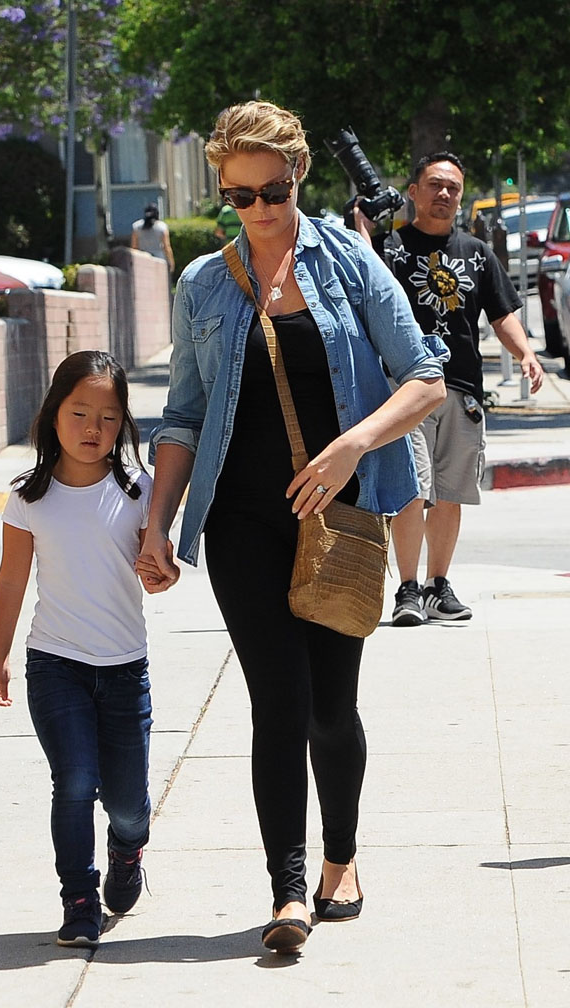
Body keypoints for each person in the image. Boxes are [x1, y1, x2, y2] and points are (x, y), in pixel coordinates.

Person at [136, 100, 447, 954]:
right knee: (278, 702)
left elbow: (425, 376)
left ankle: (340, 857)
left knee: (329, 709)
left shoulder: (352, 265)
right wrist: (157, 524)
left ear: (298, 175)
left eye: (272, 190)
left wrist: (353, 446)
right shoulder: (205, 281)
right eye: (239, 196)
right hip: (240, 520)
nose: (260, 209)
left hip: (339, 517)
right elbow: (183, 416)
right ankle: (287, 891)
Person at [0, 350, 158, 948]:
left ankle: (126, 847)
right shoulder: (27, 497)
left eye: (109, 418)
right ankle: (79, 899)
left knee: (130, 803)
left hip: (123, 669)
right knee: (75, 781)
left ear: (124, 425)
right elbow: (11, 579)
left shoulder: (138, 488)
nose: (93, 429)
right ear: (52, 415)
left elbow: (154, 566)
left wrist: (160, 571)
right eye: (80, 412)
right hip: (54, 663)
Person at [355, 153, 544, 626]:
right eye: (435, 185)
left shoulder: (477, 252)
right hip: (404, 387)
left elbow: (502, 313)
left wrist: (526, 354)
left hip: (462, 389)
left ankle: (439, 586)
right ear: (413, 191)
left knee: (451, 492)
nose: (444, 194)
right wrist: (362, 232)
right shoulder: (389, 245)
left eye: (453, 188)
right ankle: (407, 588)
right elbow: (362, 289)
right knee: (412, 490)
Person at [131, 202, 175, 274]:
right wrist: (171, 262)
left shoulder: (136, 227)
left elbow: (134, 247)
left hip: (143, 260)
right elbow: (166, 247)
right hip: (159, 260)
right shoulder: (162, 227)